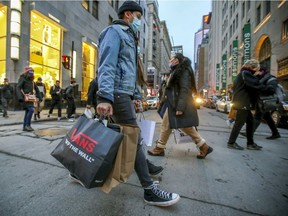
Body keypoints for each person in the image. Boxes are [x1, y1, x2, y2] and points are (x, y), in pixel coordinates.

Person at [93, 1, 180, 206]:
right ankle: (149, 189)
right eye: (139, 17)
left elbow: (129, 72)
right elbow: (107, 65)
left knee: (119, 138)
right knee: (133, 137)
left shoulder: (130, 37)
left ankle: (82, 169)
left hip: (123, 94)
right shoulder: (114, 32)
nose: (140, 22)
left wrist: (136, 95)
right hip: (115, 93)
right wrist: (105, 97)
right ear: (129, 15)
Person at [147, 53, 213, 159]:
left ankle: (203, 146)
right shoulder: (176, 70)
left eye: (171, 59)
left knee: (182, 126)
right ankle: (160, 147)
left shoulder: (183, 70)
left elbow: (184, 89)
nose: (170, 61)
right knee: (168, 125)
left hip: (178, 104)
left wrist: (180, 107)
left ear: (177, 60)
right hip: (173, 103)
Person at [227, 59, 267, 150]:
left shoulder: (242, 74)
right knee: (239, 123)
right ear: (253, 67)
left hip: (243, 102)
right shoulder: (246, 73)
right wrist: (266, 88)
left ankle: (250, 143)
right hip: (243, 102)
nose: (257, 71)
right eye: (256, 69)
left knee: (250, 122)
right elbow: (254, 84)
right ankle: (231, 142)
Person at [240, 66, 281, 139]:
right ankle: (275, 133)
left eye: (257, 71)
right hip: (262, 101)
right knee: (267, 117)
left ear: (262, 71)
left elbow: (271, 89)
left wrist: (261, 87)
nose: (256, 72)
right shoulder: (262, 78)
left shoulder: (271, 78)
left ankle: (249, 133)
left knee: (257, 116)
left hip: (265, 101)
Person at [16, 66, 41, 132]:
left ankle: (25, 127)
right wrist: (20, 97)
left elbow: (37, 90)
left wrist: (40, 97)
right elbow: (18, 87)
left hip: (31, 99)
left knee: (27, 112)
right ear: (26, 72)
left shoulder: (32, 81)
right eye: (30, 71)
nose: (31, 73)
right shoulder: (22, 78)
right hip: (25, 98)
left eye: (32, 72)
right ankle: (27, 125)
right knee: (31, 110)